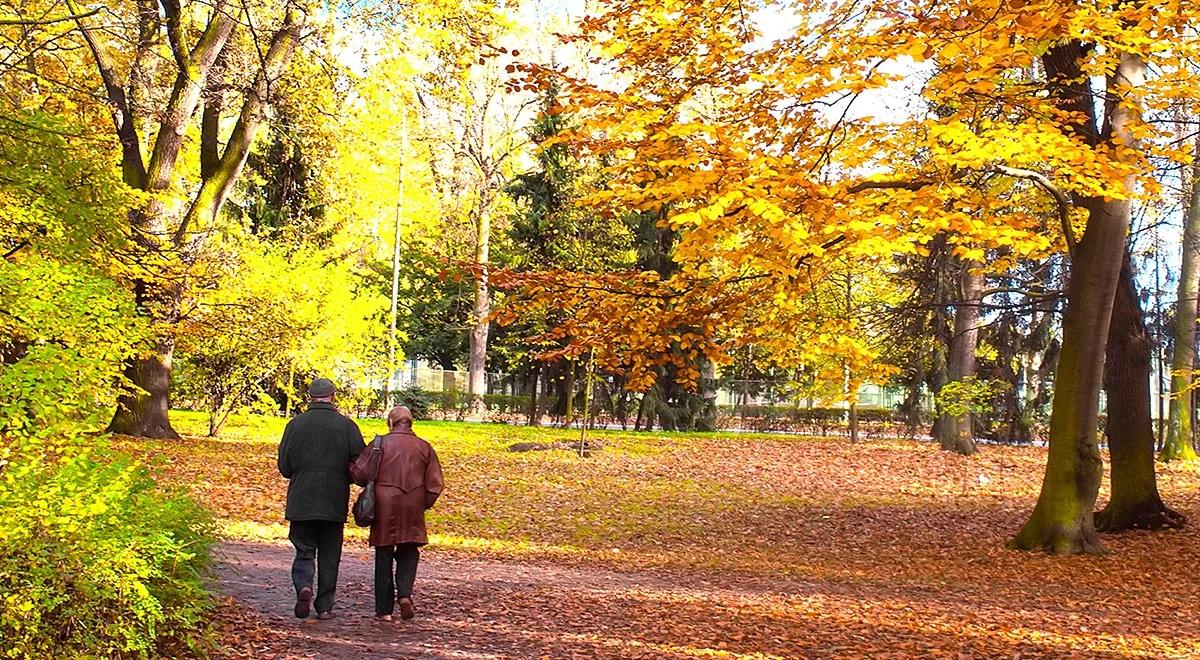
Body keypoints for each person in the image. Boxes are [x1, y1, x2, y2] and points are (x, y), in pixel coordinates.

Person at [277, 377, 366, 620]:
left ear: (310, 397)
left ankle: (304, 586)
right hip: (333, 498)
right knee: (330, 553)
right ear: (333, 396)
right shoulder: (347, 426)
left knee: (304, 549)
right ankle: (325, 605)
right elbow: (361, 467)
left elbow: (284, 467)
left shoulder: (294, 425)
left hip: (302, 498)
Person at [350, 405, 444, 622]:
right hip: (412, 504)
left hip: (384, 504)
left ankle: (384, 610)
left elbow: (360, 473)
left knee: (383, 554)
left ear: (391, 423)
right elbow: (434, 485)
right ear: (410, 423)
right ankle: (404, 595)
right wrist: (421, 504)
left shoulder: (379, 444)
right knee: (409, 551)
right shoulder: (424, 447)